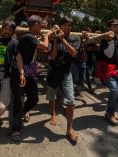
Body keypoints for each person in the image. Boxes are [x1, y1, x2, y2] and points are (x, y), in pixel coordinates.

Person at [10, 15, 50, 142]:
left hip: (30, 73)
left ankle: (23, 112)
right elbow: (45, 46)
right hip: (19, 72)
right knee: (19, 101)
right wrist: (47, 36)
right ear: (35, 25)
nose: (42, 28)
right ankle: (15, 128)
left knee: (34, 99)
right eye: (41, 25)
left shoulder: (31, 37)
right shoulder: (28, 36)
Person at [46, 16, 80, 144]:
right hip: (53, 70)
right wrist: (55, 40)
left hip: (66, 72)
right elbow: (53, 57)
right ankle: (53, 113)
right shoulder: (53, 38)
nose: (68, 27)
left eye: (70, 25)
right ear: (60, 26)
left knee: (71, 100)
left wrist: (62, 40)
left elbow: (74, 53)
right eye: (65, 25)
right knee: (52, 95)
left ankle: (69, 129)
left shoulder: (75, 38)